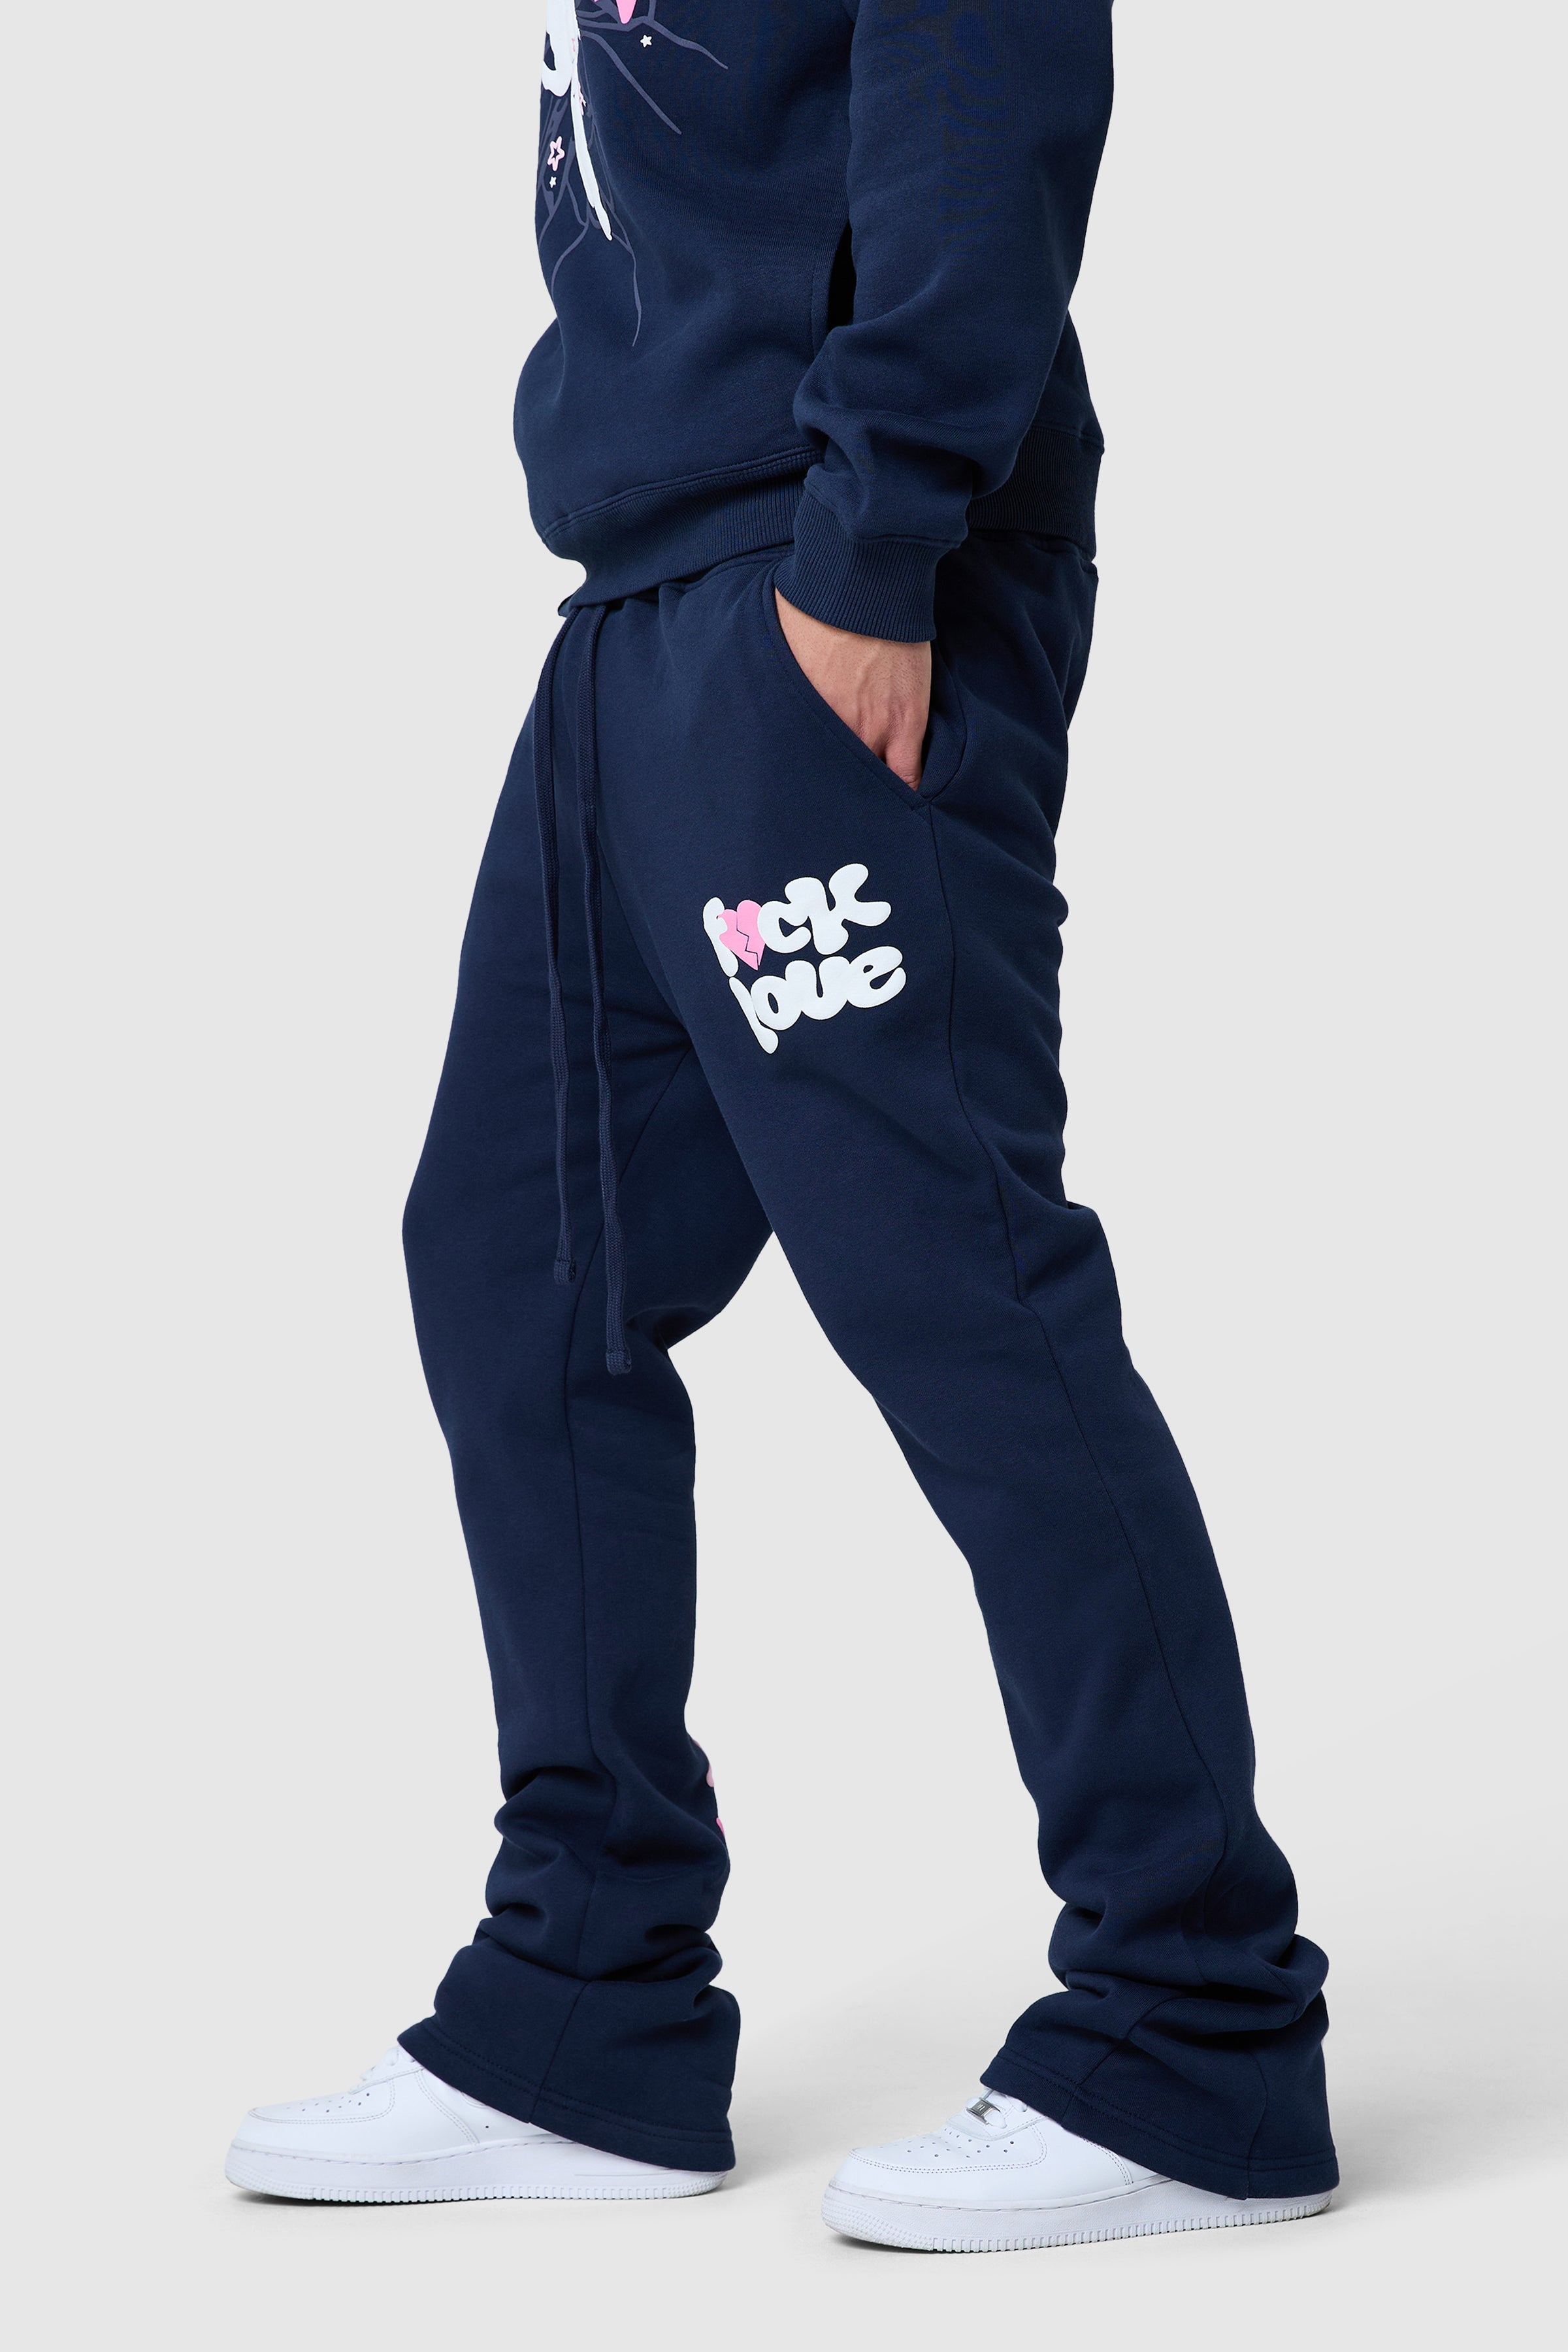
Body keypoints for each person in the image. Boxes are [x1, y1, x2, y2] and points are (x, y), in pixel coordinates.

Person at [226, 1, 1337, 2250]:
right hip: (640, 602)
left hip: (824, 580)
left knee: (953, 1281)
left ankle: (1197, 2018)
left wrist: (873, 536)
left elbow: (986, 72)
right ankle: (589, 2002)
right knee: (518, 1266)